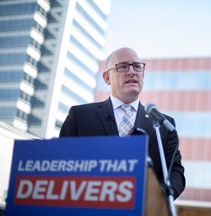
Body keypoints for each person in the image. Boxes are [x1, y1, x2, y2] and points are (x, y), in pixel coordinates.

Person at [59, 47, 185, 199]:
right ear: (107, 78)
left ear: (143, 75)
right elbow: (62, 164)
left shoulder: (162, 124)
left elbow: (175, 171)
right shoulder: (81, 117)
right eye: (123, 66)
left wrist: (159, 198)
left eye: (137, 66)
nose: (132, 71)